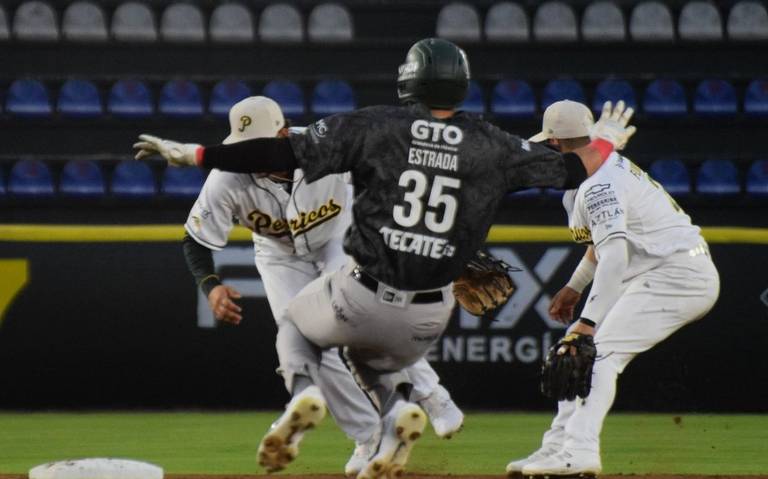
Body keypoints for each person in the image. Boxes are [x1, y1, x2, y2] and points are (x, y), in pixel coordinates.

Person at [134, 38, 636, 478]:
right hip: (359, 278)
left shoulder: (369, 128)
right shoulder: (488, 143)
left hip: (344, 248)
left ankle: (347, 401)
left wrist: (196, 154)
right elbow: (569, 168)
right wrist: (606, 143)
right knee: (333, 335)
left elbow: (337, 166)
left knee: (310, 332)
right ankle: (377, 431)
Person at [180, 96, 463, 475]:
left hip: (338, 238)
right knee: (302, 340)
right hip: (279, 255)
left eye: (260, 144)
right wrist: (210, 285)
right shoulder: (226, 179)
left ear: (283, 134)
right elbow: (195, 239)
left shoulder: (326, 144)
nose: (252, 154)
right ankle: (368, 436)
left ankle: (432, 395)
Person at [505, 100, 720, 478]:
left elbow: (616, 257)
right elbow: (601, 248)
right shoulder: (592, 176)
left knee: (596, 354)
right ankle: (557, 448)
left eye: (547, 144)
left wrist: (588, 321)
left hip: (679, 273)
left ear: (556, 145)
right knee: (571, 351)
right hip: (659, 269)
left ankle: (580, 452)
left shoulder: (598, 184)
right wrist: (573, 288)